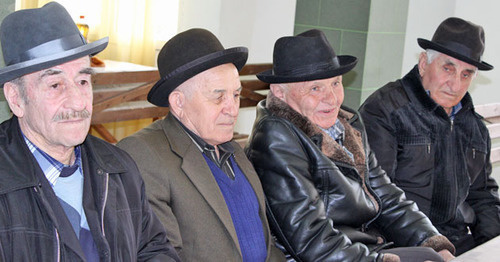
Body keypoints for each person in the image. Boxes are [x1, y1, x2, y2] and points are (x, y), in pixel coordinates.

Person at [245, 29, 456, 262]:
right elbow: (311, 240)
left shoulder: (347, 126)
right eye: (316, 88)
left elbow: (388, 196)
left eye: (335, 83)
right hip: (330, 257)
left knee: (435, 257)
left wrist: (434, 243)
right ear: (279, 93)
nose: (332, 98)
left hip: (365, 248)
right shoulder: (275, 138)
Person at [0, 3, 180, 261]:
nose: (78, 102)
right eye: (55, 85)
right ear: (16, 99)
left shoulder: (119, 168)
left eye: (83, 81)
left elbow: (154, 249)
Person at [117, 28, 285, 262]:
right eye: (218, 97)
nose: (232, 108)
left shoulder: (233, 150)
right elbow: (159, 255)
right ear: (178, 102)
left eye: (236, 95)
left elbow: (268, 245)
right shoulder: (144, 154)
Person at [359, 17, 500, 255]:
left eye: (466, 74)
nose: (455, 84)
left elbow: (483, 195)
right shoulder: (384, 110)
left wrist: (493, 243)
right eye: (448, 68)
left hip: (456, 239)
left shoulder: (473, 125)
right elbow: (375, 197)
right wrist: (431, 245)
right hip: (398, 243)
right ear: (424, 63)